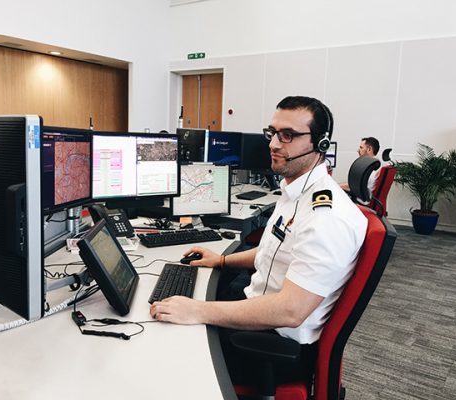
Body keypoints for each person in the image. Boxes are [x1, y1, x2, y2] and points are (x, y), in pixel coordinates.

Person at [150, 96, 368, 386]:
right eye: (272, 133)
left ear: (320, 144)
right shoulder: (296, 190)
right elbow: (270, 251)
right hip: (259, 308)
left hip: (272, 346)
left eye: (288, 135)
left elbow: (291, 311)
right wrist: (222, 260)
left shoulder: (325, 216)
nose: (274, 144)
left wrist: (198, 310)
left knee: (161, 347)